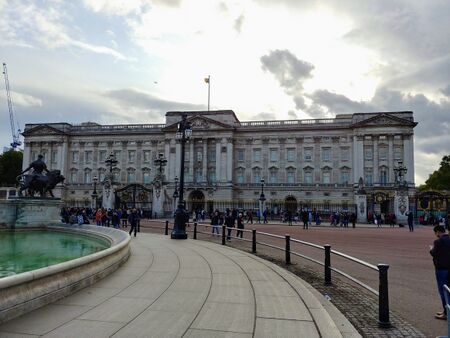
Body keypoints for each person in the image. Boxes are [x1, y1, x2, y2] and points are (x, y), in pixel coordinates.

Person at [429, 225, 450, 320]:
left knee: (443, 291)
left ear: (438, 232)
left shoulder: (438, 242)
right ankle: (446, 310)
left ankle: (446, 313)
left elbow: (434, 253)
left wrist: (431, 249)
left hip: (441, 269)